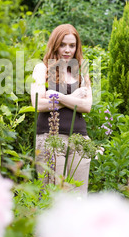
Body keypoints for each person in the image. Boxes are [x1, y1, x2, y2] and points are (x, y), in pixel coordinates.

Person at [31, 24, 93, 194]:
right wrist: (74, 99)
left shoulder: (82, 70)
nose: (67, 50)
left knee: (78, 199)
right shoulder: (42, 69)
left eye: (72, 46)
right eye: (63, 45)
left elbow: (87, 106)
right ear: (55, 44)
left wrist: (55, 96)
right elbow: (38, 104)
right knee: (54, 198)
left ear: (77, 47)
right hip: (50, 138)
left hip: (80, 141)